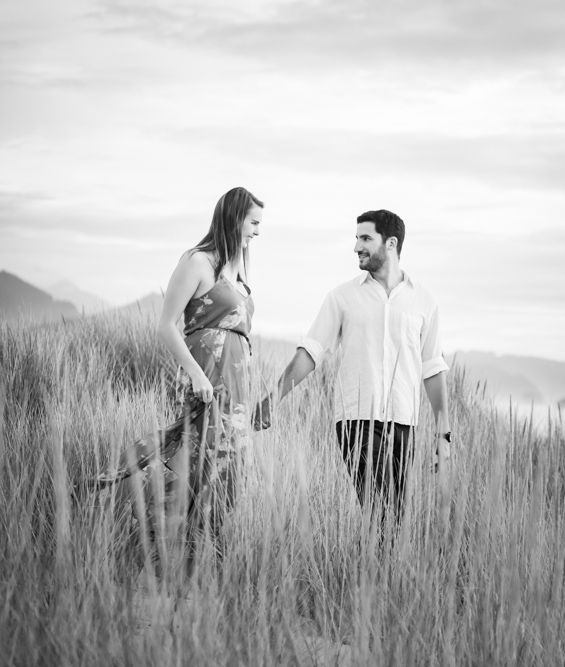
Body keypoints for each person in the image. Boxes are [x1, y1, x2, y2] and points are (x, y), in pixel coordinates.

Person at [99, 186, 265, 578]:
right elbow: (166, 325)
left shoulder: (236, 267)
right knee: (195, 460)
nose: (258, 231)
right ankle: (159, 555)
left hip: (236, 382)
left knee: (230, 467)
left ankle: (204, 558)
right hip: (205, 375)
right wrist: (194, 373)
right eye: (253, 222)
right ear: (234, 217)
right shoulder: (197, 261)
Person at [269, 209, 451, 526]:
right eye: (357, 239)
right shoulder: (342, 296)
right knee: (382, 510)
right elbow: (312, 351)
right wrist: (273, 398)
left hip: (404, 422)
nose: (356, 247)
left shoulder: (424, 301)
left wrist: (443, 435)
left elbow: (432, 368)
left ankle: (369, 573)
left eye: (365, 238)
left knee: (392, 518)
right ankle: (373, 571)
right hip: (357, 419)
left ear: (391, 243)